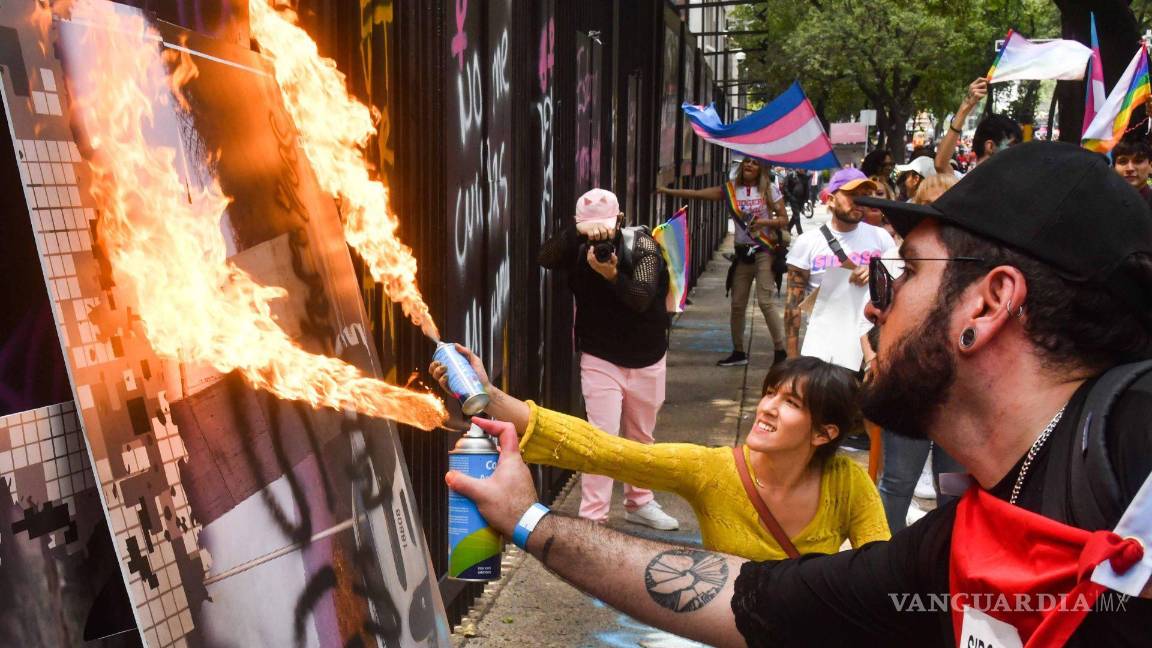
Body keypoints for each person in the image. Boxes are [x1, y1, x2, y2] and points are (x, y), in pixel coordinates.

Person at [447, 142, 1152, 647]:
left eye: (899, 275)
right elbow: (750, 600)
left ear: (988, 305)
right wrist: (528, 519)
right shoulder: (952, 549)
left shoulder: (1133, 446)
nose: (879, 308)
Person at [431, 349, 890, 560]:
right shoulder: (712, 470)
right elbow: (604, 451)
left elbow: (882, 574)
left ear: (823, 434)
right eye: (770, 393)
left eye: (790, 403)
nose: (767, 407)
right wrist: (490, 396)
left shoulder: (848, 483)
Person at [536, 187, 679, 530]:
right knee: (600, 439)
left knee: (641, 436)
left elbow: (641, 298)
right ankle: (593, 518)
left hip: (647, 356)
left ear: (620, 220)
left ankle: (639, 501)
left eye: (605, 227)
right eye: (591, 228)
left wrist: (613, 275)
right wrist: (575, 235)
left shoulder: (643, 246)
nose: (600, 235)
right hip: (600, 356)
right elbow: (544, 257)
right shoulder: (575, 245)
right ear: (578, 224)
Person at [873, 172, 963, 532]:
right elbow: (879, 315)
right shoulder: (900, 256)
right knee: (897, 482)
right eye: (928, 207)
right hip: (909, 386)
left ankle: (950, 554)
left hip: (958, 395)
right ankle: (884, 555)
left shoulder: (977, 262)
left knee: (955, 487)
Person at [656, 157, 790, 367]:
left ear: (761, 169)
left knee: (765, 302)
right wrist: (667, 191)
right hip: (742, 254)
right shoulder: (730, 190)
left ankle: (780, 351)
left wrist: (763, 222)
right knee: (737, 304)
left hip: (764, 251)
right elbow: (697, 194)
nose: (749, 165)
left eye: (754, 163)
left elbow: (784, 219)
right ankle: (738, 352)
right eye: (746, 162)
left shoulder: (769, 190)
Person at [783, 168, 894, 358]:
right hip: (825, 350)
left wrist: (877, 273)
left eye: (865, 196)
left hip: (871, 349)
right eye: (852, 195)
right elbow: (793, 305)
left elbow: (899, 288)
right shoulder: (807, 243)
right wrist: (792, 360)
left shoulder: (881, 238)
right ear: (831, 199)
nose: (859, 202)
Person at [935, 77, 1021, 175]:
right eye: (1012, 146)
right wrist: (966, 105)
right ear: (990, 146)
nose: (1018, 152)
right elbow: (940, 165)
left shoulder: (1014, 187)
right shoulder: (962, 184)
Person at [1112, 138, 1152, 207]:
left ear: (1150, 166)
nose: (1130, 168)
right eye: (1123, 162)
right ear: (1113, 168)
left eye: (1138, 161)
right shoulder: (1102, 203)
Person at [783, 168, 811, 235]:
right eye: (800, 168)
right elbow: (785, 187)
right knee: (797, 216)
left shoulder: (805, 177)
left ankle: (788, 228)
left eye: (803, 168)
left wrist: (807, 199)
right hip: (793, 198)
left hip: (802, 199)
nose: (802, 169)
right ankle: (800, 232)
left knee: (795, 216)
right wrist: (790, 196)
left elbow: (806, 189)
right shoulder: (791, 175)